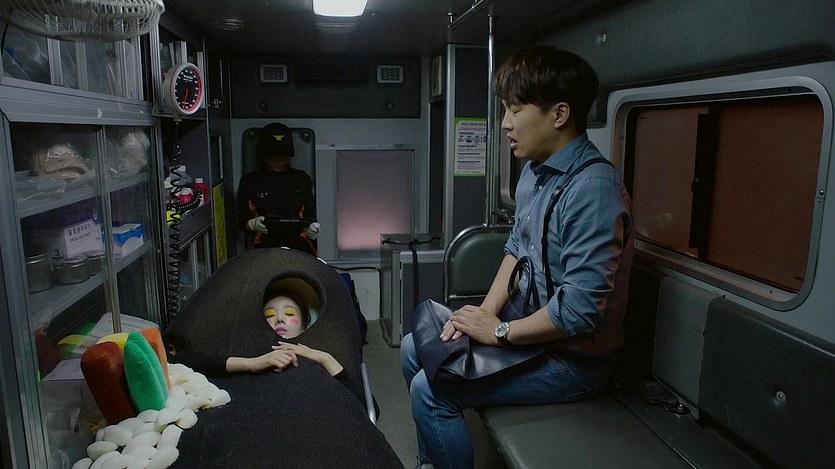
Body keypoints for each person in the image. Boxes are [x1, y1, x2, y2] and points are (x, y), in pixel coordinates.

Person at [400, 46, 635, 469]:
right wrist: (484, 313)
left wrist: (498, 331)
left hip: (573, 360)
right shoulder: (534, 172)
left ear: (559, 114)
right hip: (527, 335)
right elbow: (516, 249)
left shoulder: (593, 191)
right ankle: (430, 461)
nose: (505, 123)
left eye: (515, 109)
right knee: (412, 347)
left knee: (429, 392)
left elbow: (578, 313)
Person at [168, 285, 365, 406]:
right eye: (270, 315)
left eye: (289, 313)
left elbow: (364, 406)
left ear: (305, 325)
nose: (279, 319)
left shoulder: (319, 357)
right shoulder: (250, 353)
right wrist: (253, 363)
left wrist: (323, 357)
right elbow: (180, 361)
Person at [236, 123, 320, 254]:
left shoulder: (301, 179)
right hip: (263, 245)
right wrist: (252, 224)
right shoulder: (250, 181)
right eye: (273, 158)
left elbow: (310, 214)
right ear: (264, 156)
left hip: (299, 245)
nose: (279, 162)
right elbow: (242, 220)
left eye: (283, 157)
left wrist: (311, 227)